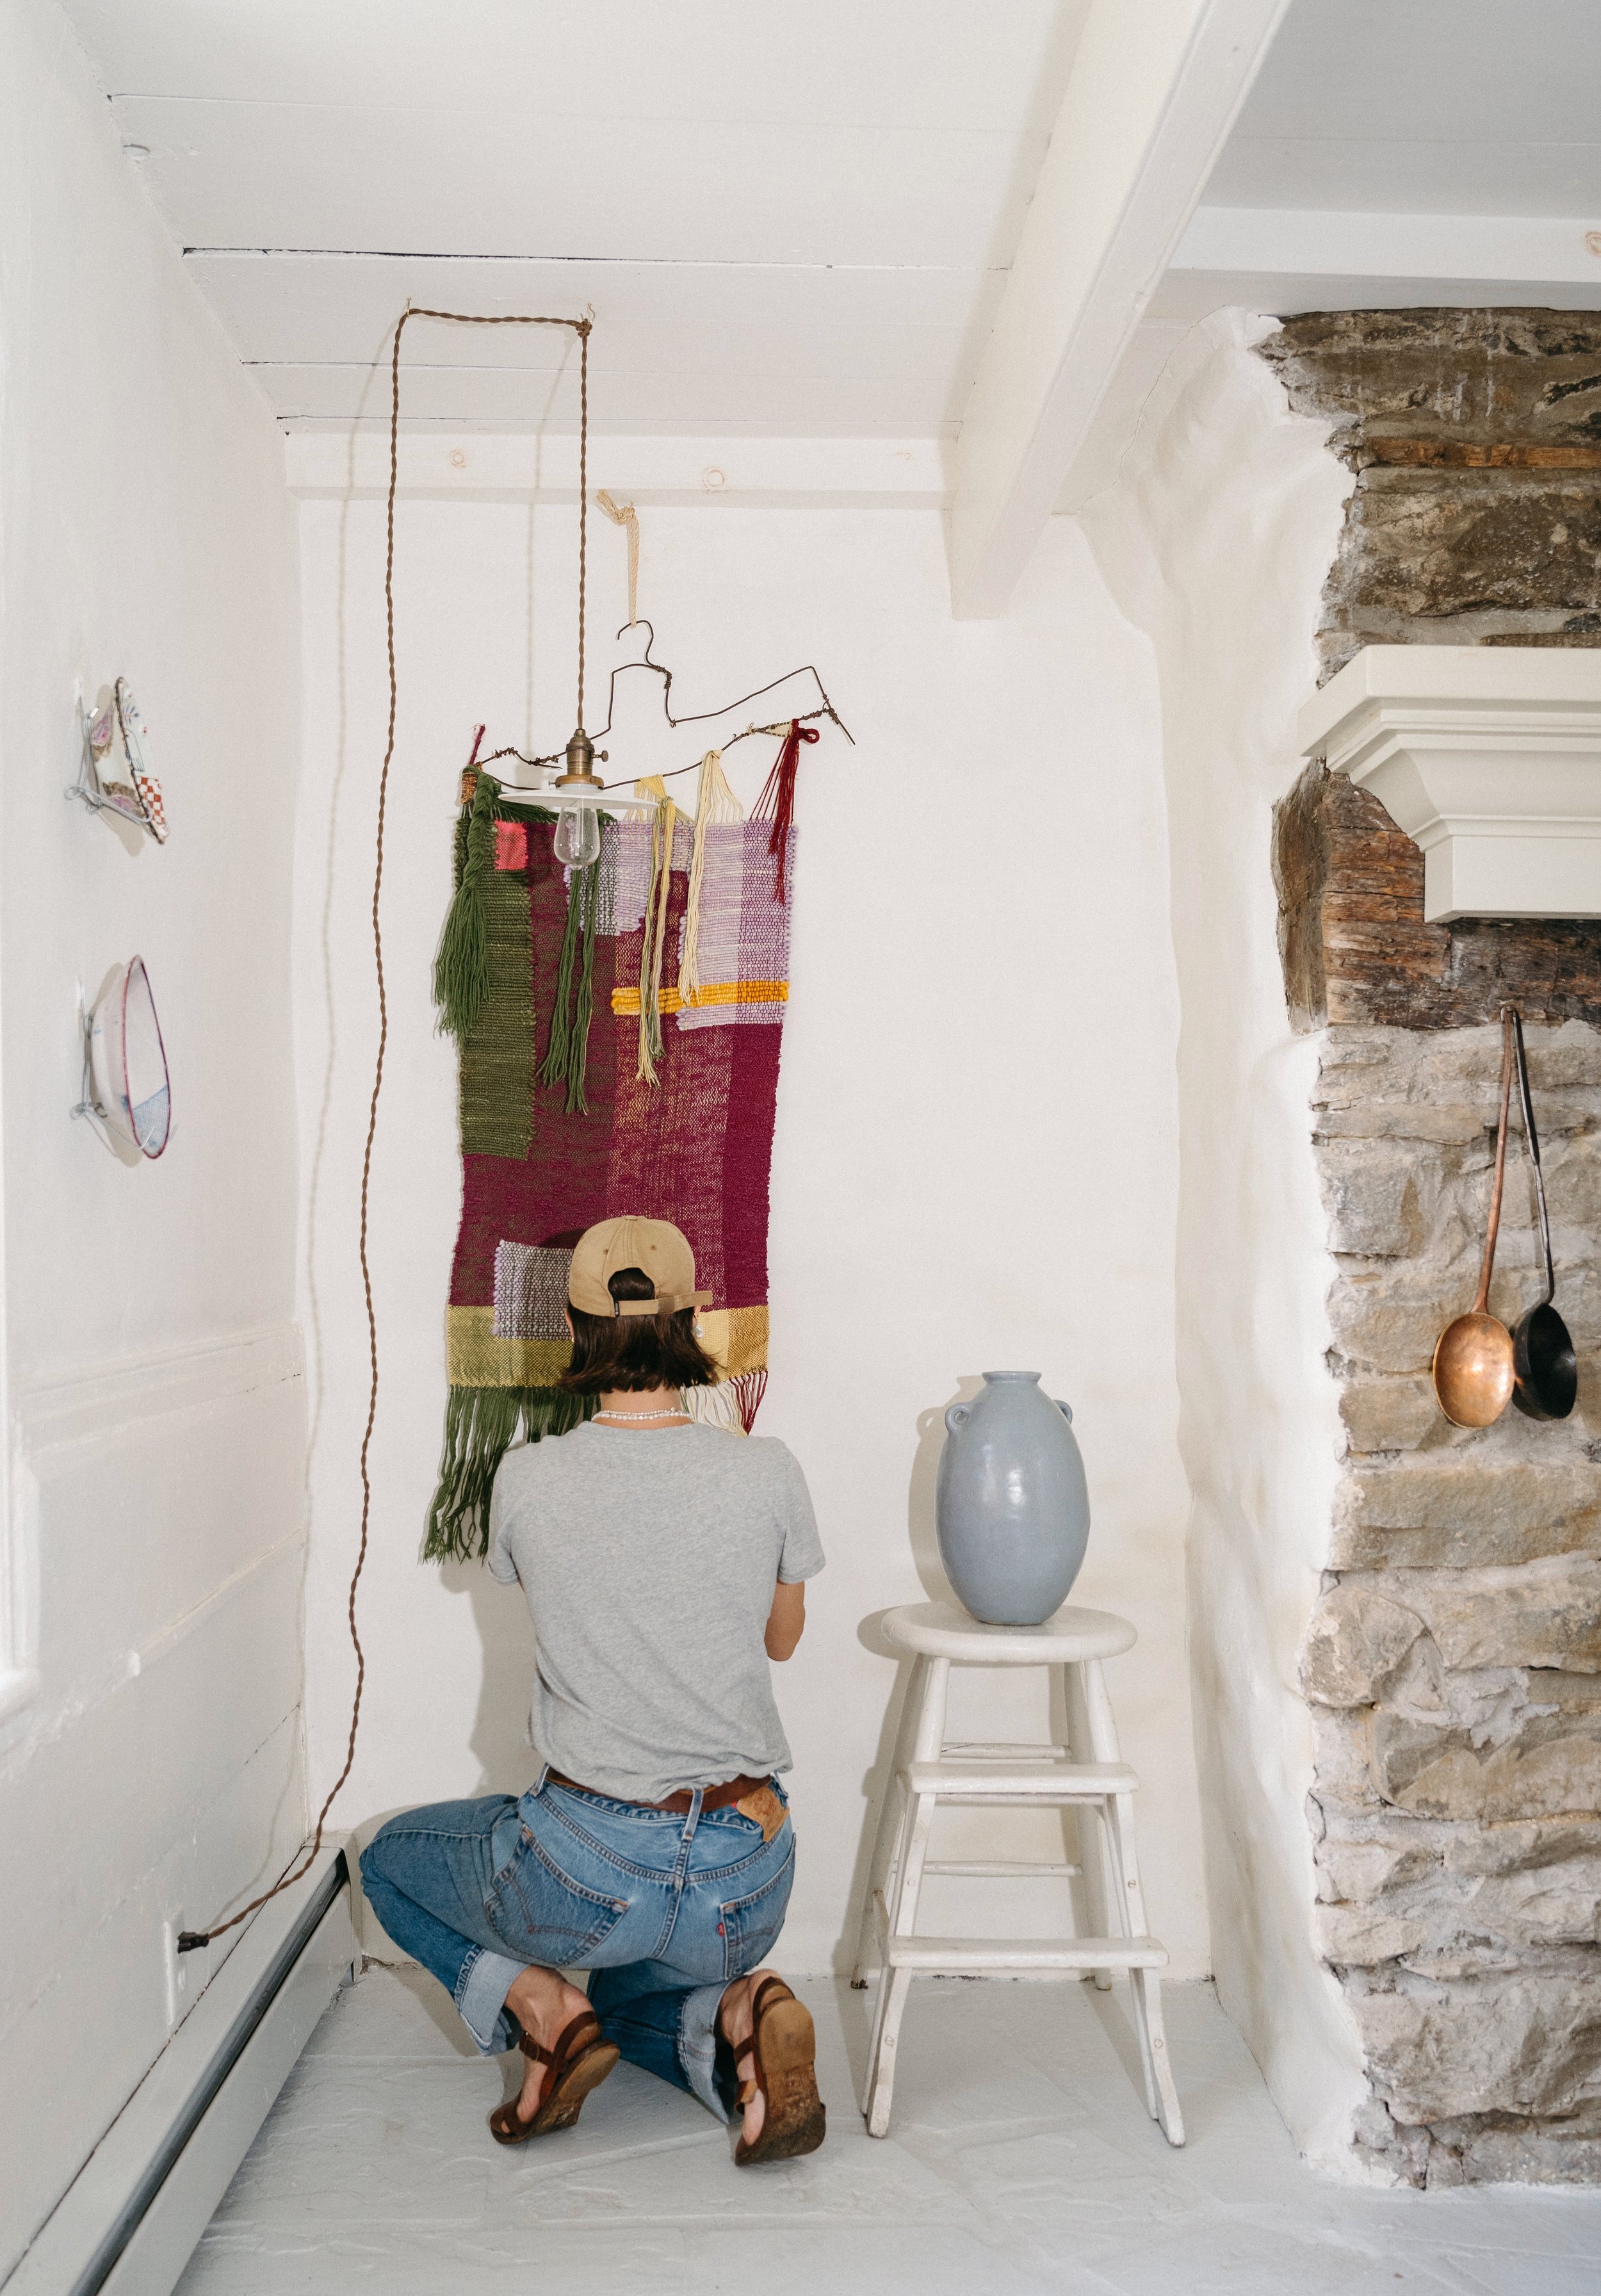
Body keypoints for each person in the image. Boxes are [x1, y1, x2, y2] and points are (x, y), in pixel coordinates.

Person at [361, 1215, 827, 2164]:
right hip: (746, 1879)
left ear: (571, 1327)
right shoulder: (766, 1467)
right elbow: (782, 1641)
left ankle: (545, 2008)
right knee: (639, 1998)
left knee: (383, 1860)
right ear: (694, 1315)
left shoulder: (527, 1479)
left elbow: (576, 1608)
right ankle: (740, 2009)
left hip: (589, 1874)